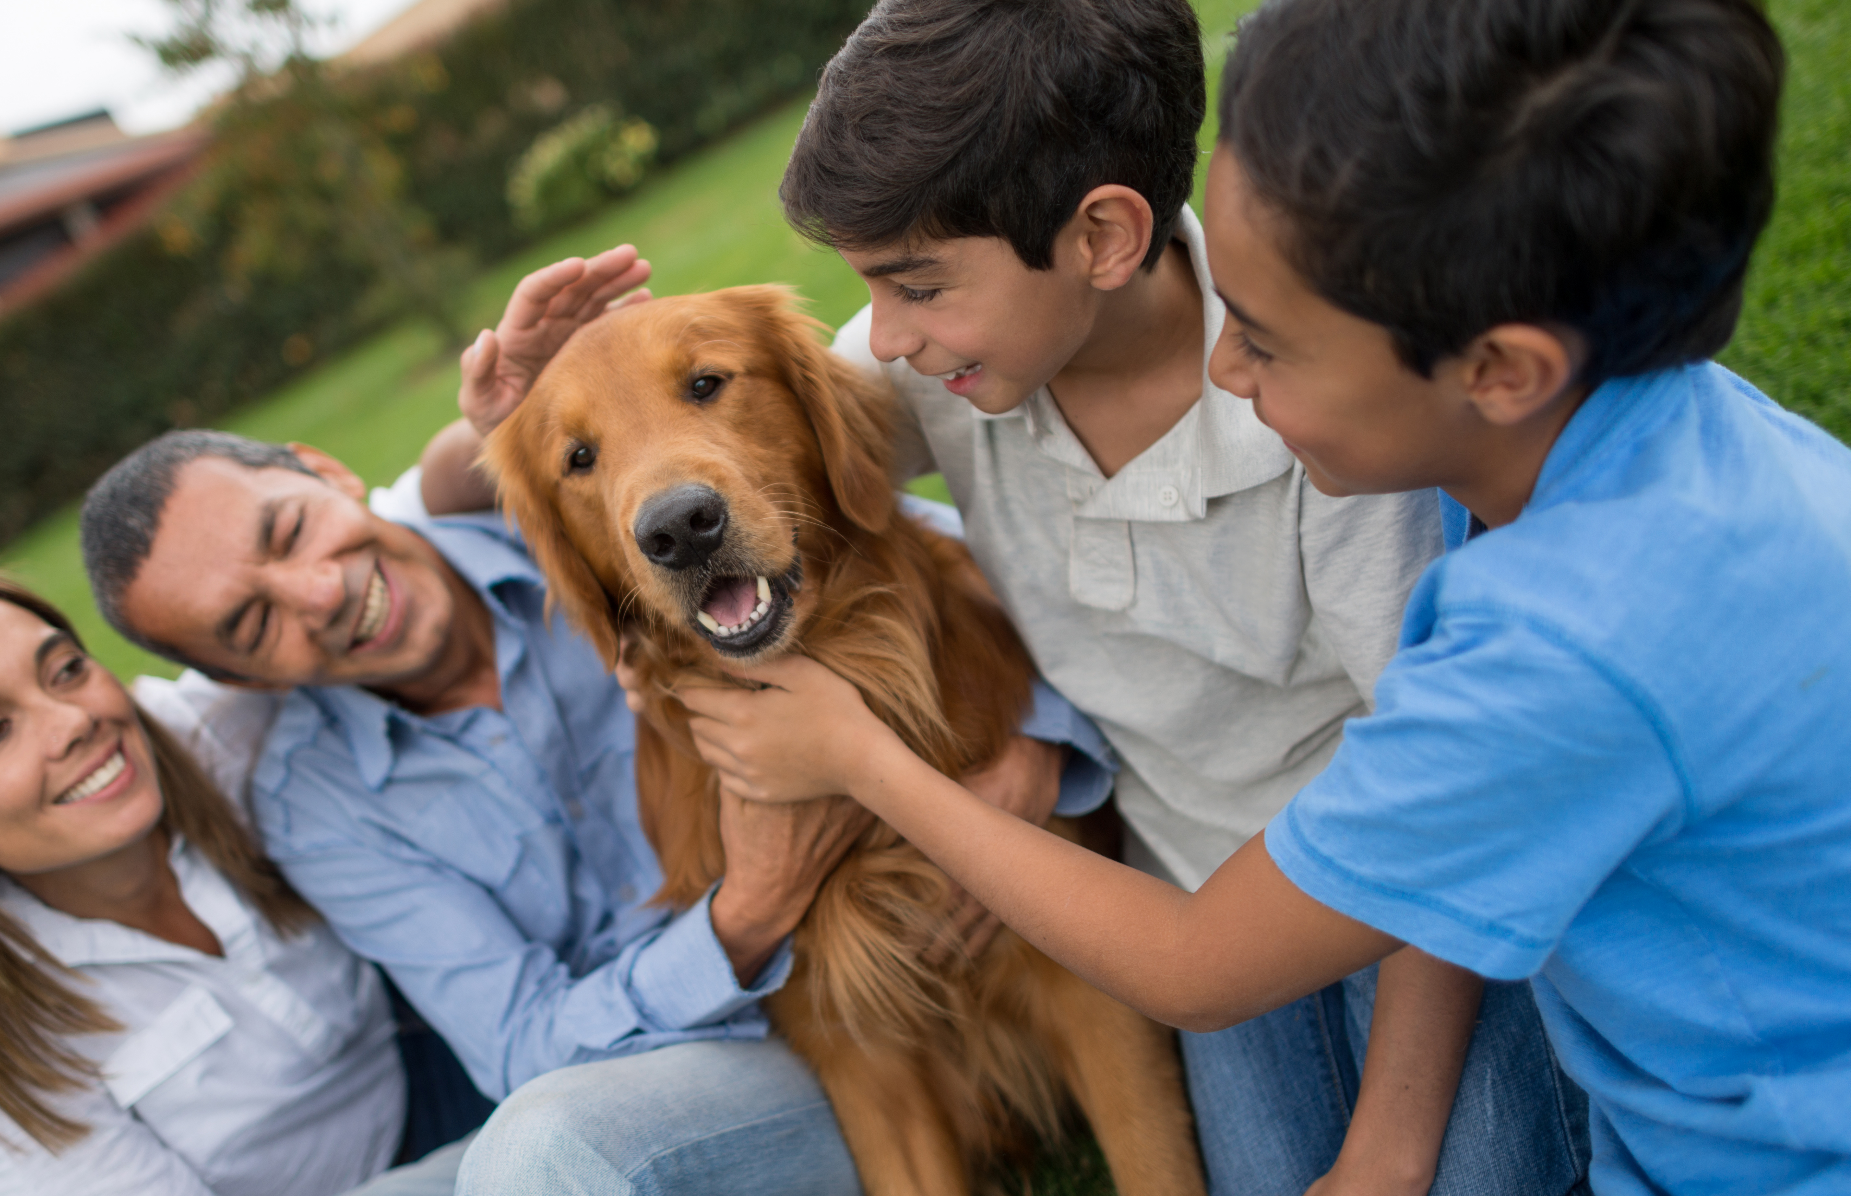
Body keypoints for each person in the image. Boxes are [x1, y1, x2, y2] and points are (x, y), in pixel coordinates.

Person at [682, 1, 1851, 1193]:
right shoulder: (1589, 452)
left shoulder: (1539, 639)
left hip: (1690, 1108)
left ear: (1497, 369)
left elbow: (1207, 958)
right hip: (1243, 868)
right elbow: (748, 449)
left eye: (1265, 338)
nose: (1228, 370)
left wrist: (860, 759)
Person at [77, 251, 1108, 1194]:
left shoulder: (601, 504)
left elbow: (885, 547)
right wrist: (750, 905)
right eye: (251, 623)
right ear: (232, 680)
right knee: (516, 1157)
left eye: (290, 527)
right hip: (700, 1063)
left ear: (326, 471)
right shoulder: (320, 804)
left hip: (890, 980)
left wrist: (1039, 745)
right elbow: (521, 1051)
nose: (317, 593)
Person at [0, 565, 467, 1196]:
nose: (75, 721)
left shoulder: (204, 737)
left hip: (441, 1049)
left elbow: (400, 534)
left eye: (65, 670)